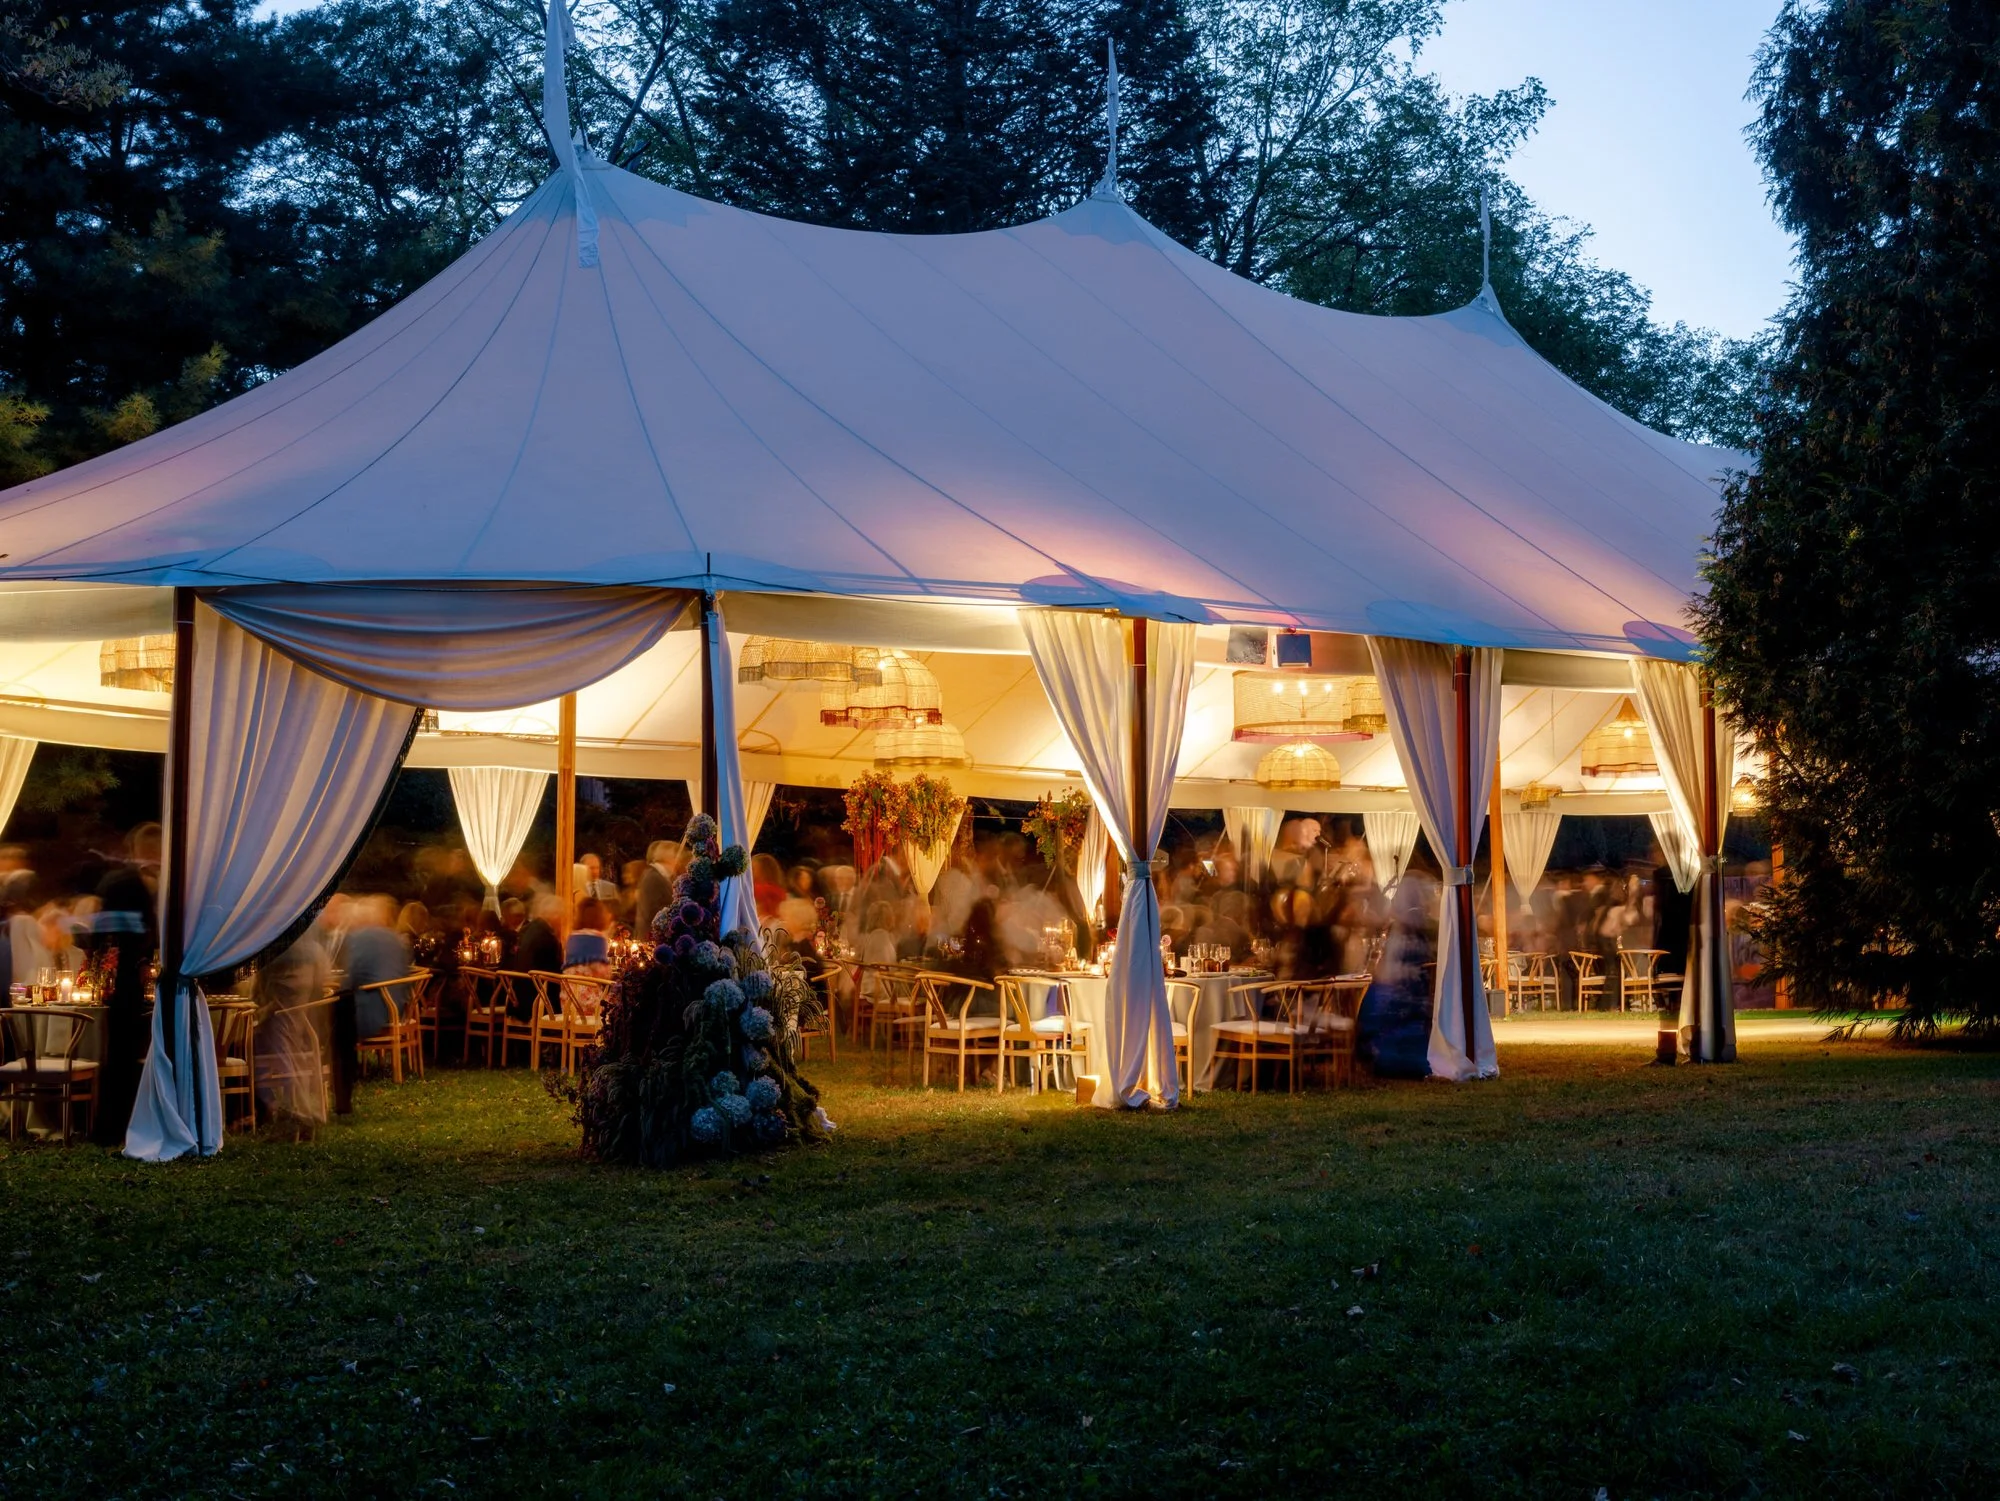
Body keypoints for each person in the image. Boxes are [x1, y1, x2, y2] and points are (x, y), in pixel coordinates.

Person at [253, 935, 332, 1137]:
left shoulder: (276, 947)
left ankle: (288, 1111)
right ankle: (290, 1109)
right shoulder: (310, 947)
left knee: (256, 1046)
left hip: (282, 1017)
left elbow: (262, 990)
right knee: (267, 1044)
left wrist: (262, 1009)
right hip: (304, 1026)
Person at [339, 896, 411, 1113]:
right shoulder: (395, 938)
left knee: (335, 1015)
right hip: (396, 1007)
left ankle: (338, 1077)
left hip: (373, 1009)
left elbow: (351, 978)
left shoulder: (360, 938)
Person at [515, 894, 564, 975]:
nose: (561, 919)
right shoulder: (547, 937)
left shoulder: (526, 928)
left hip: (519, 982)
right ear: (553, 915)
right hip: (538, 984)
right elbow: (553, 970)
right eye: (560, 914)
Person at [564, 896, 612, 976]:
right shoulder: (599, 938)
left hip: (569, 986)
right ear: (599, 916)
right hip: (590, 986)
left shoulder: (572, 936)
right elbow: (602, 972)